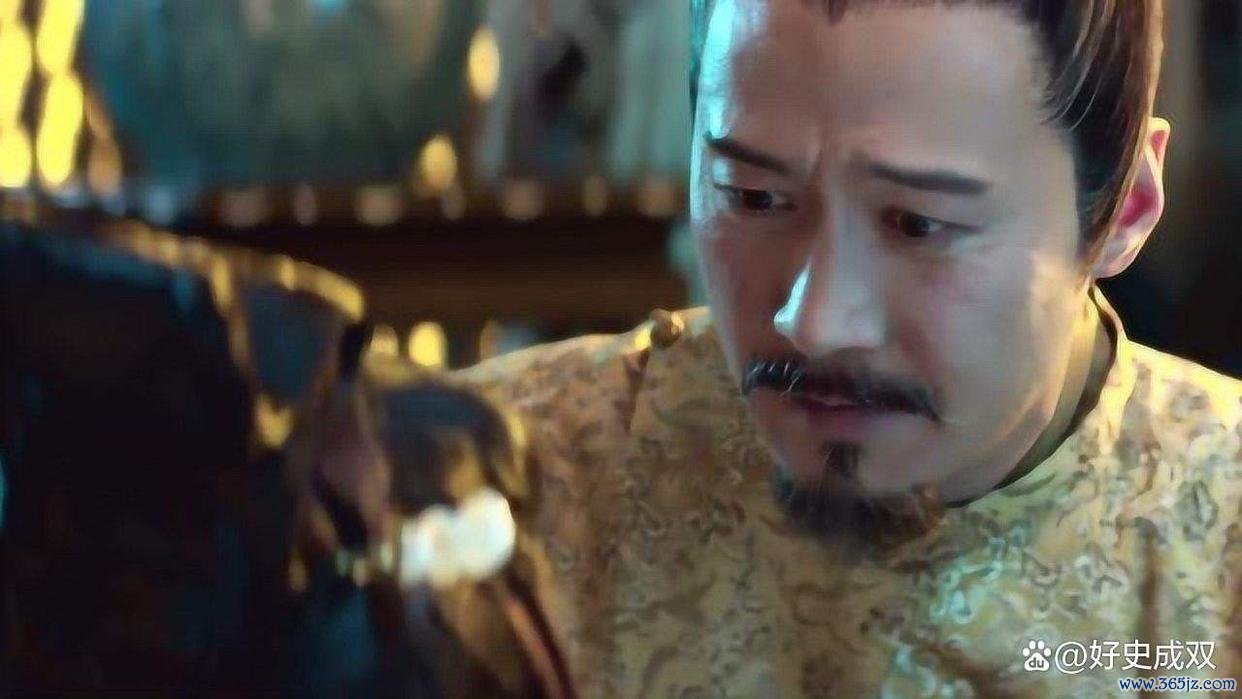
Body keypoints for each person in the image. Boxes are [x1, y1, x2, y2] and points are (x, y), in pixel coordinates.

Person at [455, 0, 1242, 695]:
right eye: (755, 198)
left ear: (1124, 208)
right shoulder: (499, 494)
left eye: (918, 224)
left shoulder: (1220, 545)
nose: (816, 320)